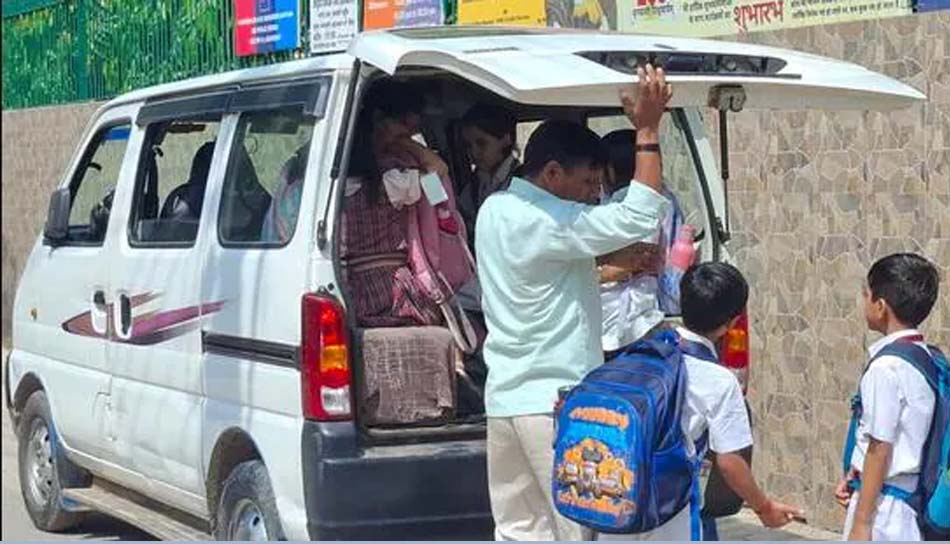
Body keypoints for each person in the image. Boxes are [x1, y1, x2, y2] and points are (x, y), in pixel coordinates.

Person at [475, 65, 673, 541]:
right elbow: (639, 215)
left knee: (519, 531)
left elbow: (546, 269)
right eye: (588, 183)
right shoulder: (545, 219)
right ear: (552, 173)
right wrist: (647, 130)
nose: (593, 196)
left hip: (504, 402)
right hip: (552, 403)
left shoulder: (495, 209)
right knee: (579, 529)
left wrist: (607, 260)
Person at [601, 262, 804, 540]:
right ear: (732, 322)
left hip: (615, 509)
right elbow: (730, 462)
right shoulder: (718, 380)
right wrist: (764, 507)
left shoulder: (639, 355)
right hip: (670, 515)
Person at [835, 253, 940, 541]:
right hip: (907, 502)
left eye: (866, 295)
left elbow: (880, 448)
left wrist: (862, 523)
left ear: (880, 306)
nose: (864, 302)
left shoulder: (886, 368)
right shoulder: (925, 358)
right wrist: (854, 474)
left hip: (883, 510)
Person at [341, 79, 450, 327]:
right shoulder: (392, 181)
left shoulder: (333, 183)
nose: (407, 136)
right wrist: (409, 144)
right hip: (393, 293)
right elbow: (438, 173)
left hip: (352, 292)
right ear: (379, 120)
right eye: (404, 129)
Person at [458, 104, 520, 245]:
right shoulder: (475, 184)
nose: (474, 153)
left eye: (482, 143)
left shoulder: (523, 181)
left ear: (506, 140)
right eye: (468, 146)